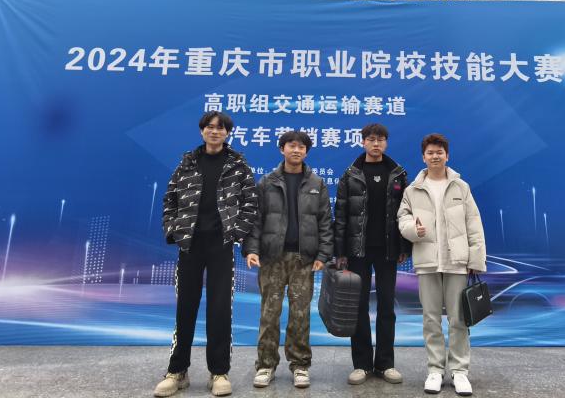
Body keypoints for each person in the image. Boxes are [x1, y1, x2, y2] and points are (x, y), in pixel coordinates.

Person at [154, 111, 259, 398]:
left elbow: (251, 203)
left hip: (221, 246)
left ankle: (219, 372)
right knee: (185, 308)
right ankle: (177, 371)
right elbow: (170, 198)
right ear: (202, 131)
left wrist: (236, 232)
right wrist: (174, 230)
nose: (215, 131)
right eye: (210, 127)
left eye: (220, 128)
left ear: (227, 133)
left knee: (220, 309)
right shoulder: (187, 162)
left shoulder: (238, 165)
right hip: (190, 245)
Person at [397, 133, 486, 397]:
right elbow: (402, 219)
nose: (435, 156)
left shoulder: (461, 187)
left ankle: (459, 371)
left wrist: (475, 259)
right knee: (431, 318)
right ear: (423, 157)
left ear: (447, 155)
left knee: (459, 318)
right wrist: (413, 229)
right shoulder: (413, 190)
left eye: (439, 152)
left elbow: (474, 223)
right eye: (430, 152)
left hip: (457, 261)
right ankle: (435, 370)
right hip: (427, 261)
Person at [244, 130, 333, 389]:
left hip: (303, 259)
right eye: (291, 146)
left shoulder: (316, 183)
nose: (296, 150)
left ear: (306, 151)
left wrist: (323, 255)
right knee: (269, 314)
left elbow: (325, 222)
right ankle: (265, 365)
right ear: (281, 149)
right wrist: (252, 249)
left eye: (301, 147)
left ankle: (300, 365)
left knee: (300, 315)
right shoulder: (267, 182)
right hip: (272, 258)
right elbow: (256, 220)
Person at [333, 123, 410, 385]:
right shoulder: (351, 175)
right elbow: (341, 215)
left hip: (388, 251)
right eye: (371, 139)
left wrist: (403, 247)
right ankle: (362, 365)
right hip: (357, 252)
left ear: (386, 143)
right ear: (363, 142)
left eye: (381, 139)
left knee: (387, 306)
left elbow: (405, 214)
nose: (376, 144)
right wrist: (340, 252)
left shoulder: (397, 175)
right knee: (358, 307)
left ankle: (385, 364)